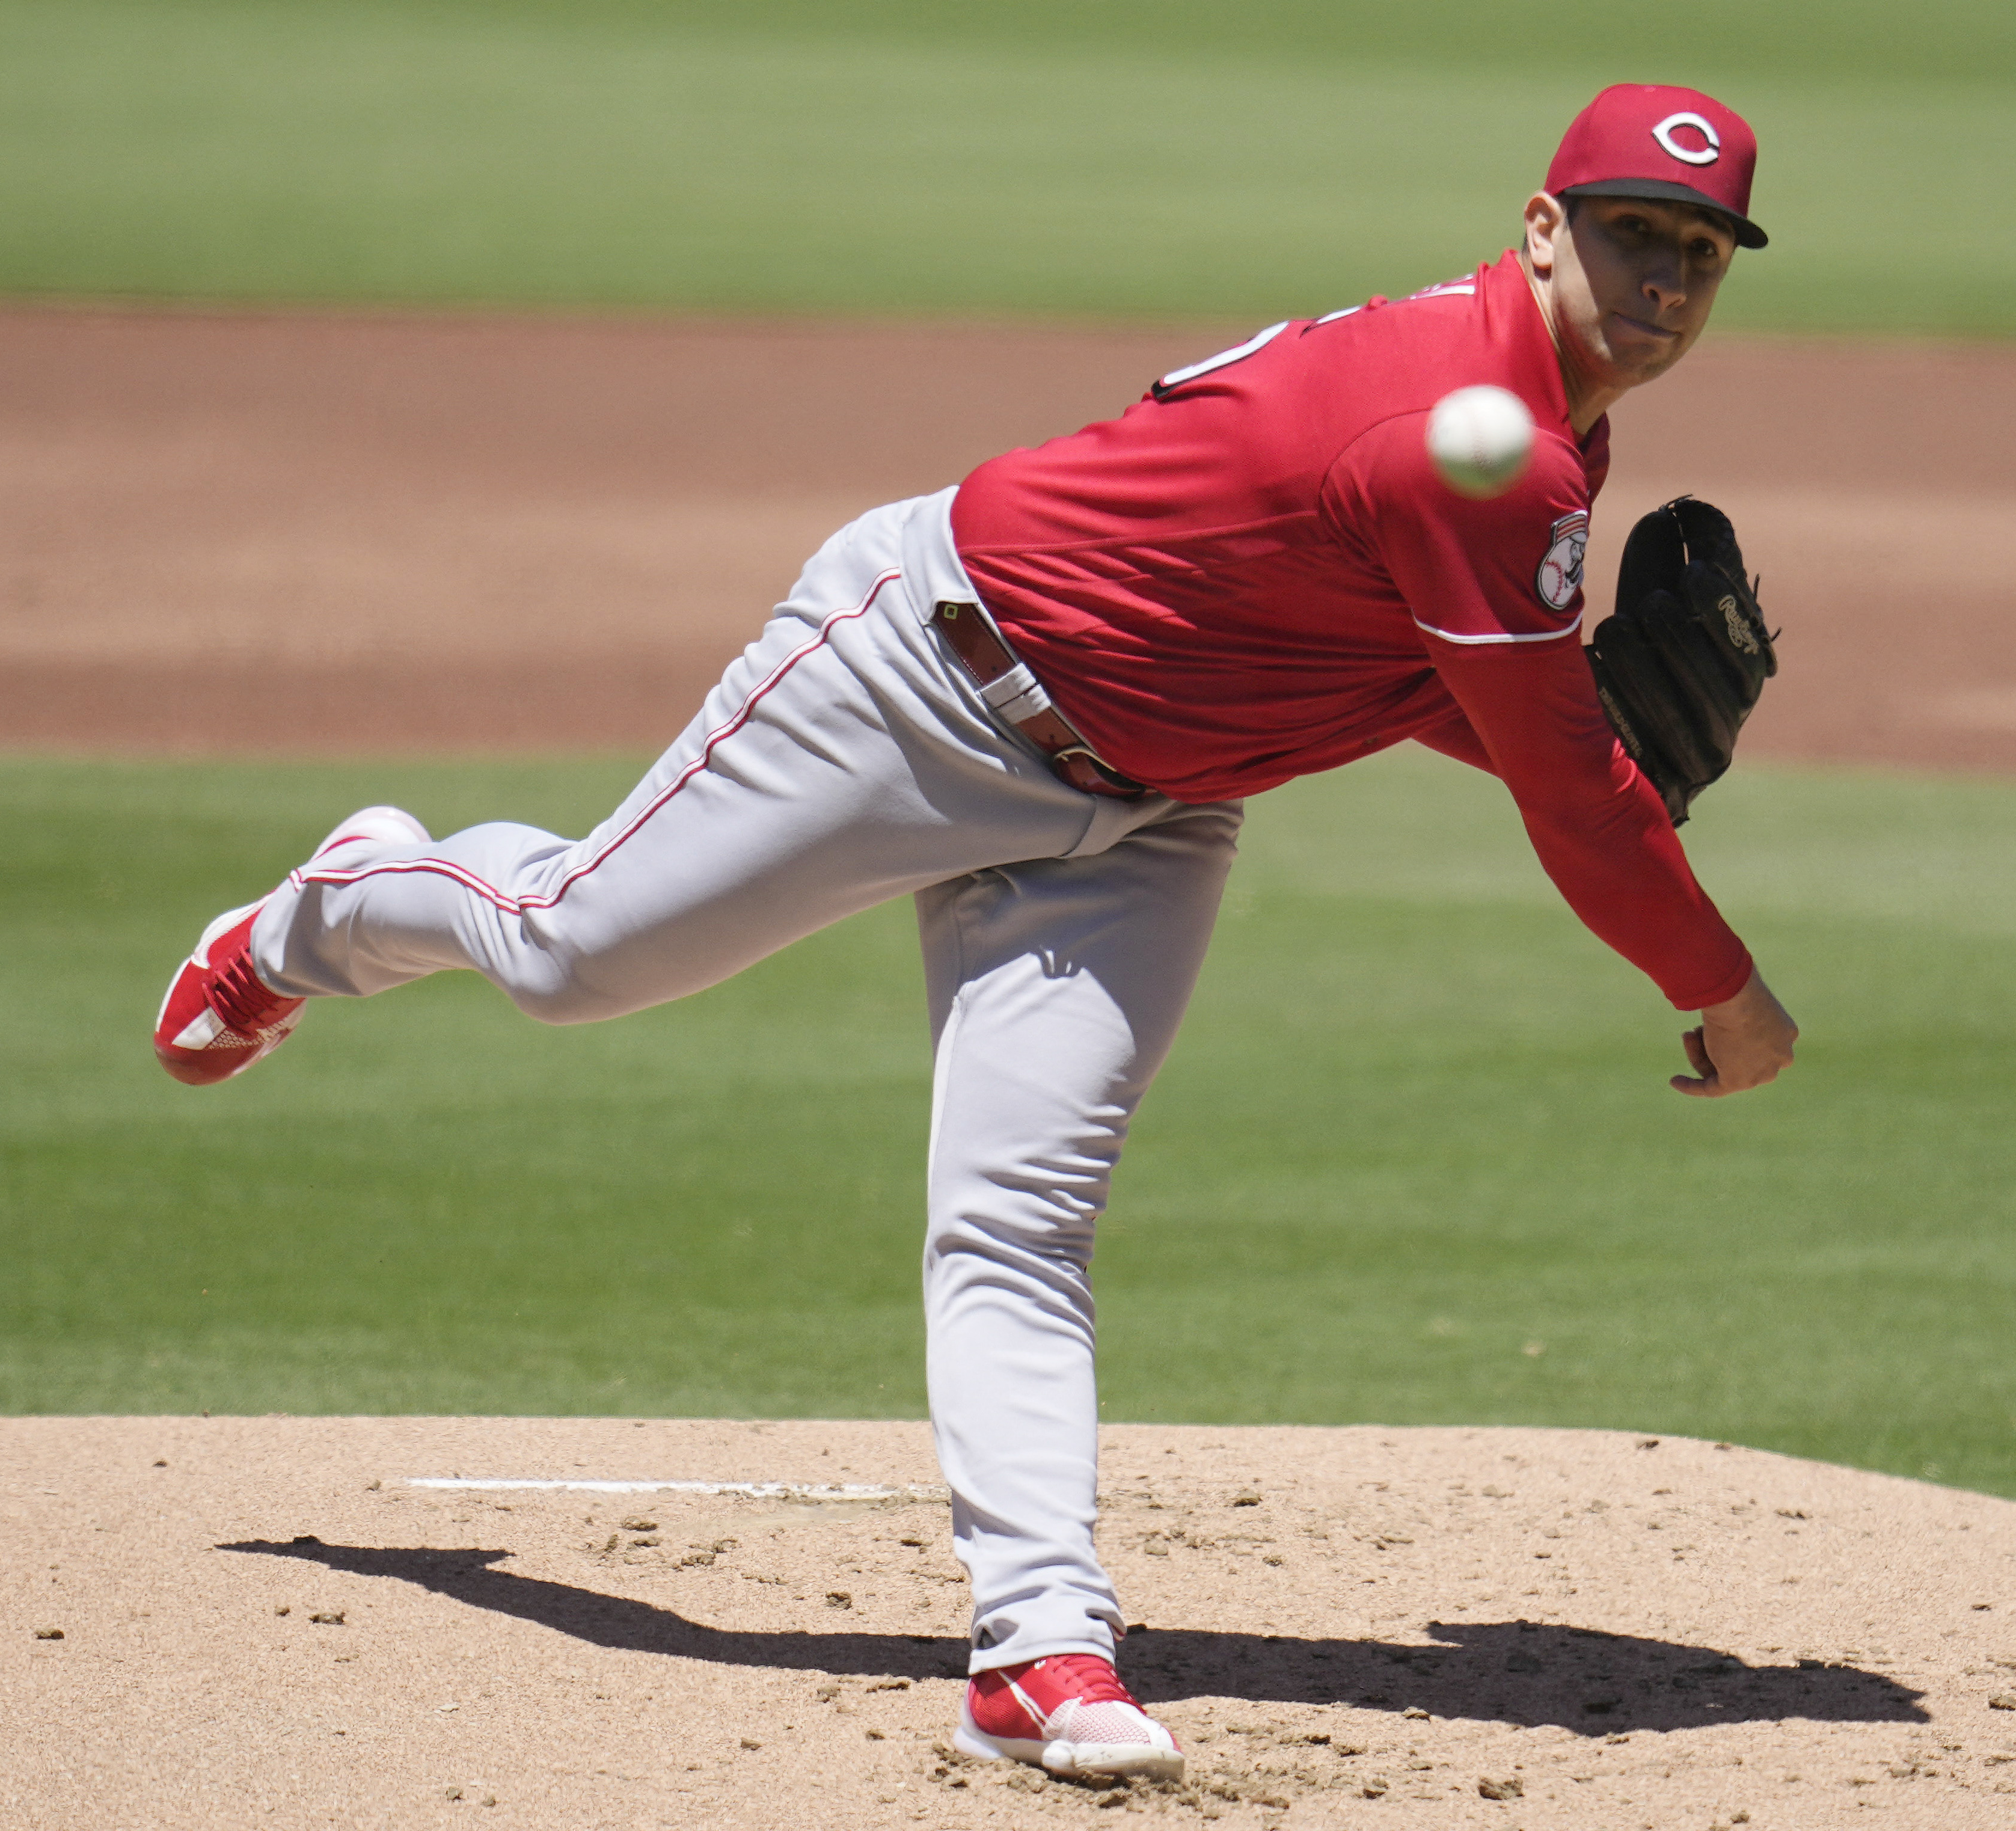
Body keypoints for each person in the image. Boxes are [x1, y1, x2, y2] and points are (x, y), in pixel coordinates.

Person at [150, 81, 1798, 1780]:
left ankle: (1038, 1655)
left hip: (1147, 814)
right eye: (1630, 234)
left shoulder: (1532, 424)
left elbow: (1430, 686)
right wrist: (1724, 990)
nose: (1664, 278)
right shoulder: (1482, 437)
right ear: (1543, 229)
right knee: (569, 956)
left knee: (1019, 1212)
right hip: (915, 686)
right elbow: (1563, 789)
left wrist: (1569, 733)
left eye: (1697, 250)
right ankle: (333, 910)